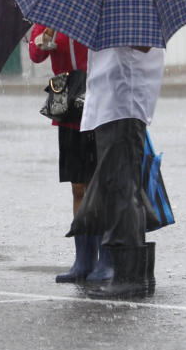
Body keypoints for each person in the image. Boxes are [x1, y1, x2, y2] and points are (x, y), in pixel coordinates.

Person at [69, 45, 165, 299]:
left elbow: (143, 45)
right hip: (111, 106)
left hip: (123, 105)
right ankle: (137, 275)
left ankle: (129, 277)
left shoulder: (132, 13)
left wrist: (116, 35)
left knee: (122, 188)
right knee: (120, 187)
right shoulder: (118, 15)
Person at [28, 24, 106, 283]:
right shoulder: (50, 15)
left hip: (96, 97)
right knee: (78, 186)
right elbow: (35, 55)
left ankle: (106, 258)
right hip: (65, 98)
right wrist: (46, 35)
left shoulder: (93, 8)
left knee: (102, 184)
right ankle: (83, 260)